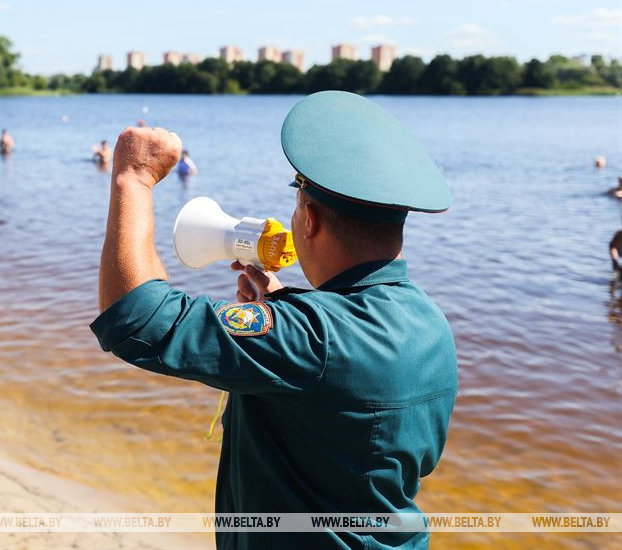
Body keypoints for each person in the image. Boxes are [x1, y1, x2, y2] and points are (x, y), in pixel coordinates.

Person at [91, 91, 457, 549]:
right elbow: (363, 416)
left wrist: (134, 178)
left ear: (310, 220)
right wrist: (285, 304)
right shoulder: (429, 321)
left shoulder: (312, 336)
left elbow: (136, 318)